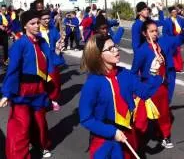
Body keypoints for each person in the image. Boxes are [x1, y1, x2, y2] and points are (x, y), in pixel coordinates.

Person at [79, 34, 163, 159]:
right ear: (97, 55)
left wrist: (153, 71)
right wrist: (112, 132)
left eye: (115, 46)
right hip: (104, 139)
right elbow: (86, 119)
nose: (116, 50)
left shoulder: (125, 74)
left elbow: (145, 93)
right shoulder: (92, 84)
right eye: (110, 48)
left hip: (128, 133)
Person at [0, 10, 65, 159]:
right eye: (32, 23)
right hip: (23, 90)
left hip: (39, 89)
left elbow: (51, 61)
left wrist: (56, 50)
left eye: (38, 22)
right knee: (21, 126)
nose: (37, 26)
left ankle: (41, 145)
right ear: (25, 26)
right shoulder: (20, 44)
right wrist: (7, 93)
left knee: (40, 122)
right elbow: (13, 69)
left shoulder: (42, 42)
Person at [131, 19, 184, 148]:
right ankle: (136, 139)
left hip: (162, 86)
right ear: (145, 33)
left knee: (164, 113)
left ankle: (165, 135)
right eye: (152, 31)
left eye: (156, 30)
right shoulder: (142, 50)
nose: (155, 33)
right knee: (142, 118)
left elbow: (179, 39)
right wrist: (135, 90)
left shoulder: (164, 42)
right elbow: (133, 72)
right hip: (147, 88)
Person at [39, 9, 65, 111]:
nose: (47, 20)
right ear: (39, 20)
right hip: (40, 60)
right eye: (44, 19)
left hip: (53, 58)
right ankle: (43, 101)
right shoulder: (37, 30)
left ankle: (53, 99)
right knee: (42, 82)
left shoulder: (53, 29)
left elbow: (58, 40)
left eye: (48, 18)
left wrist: (61, 43)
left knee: (55, 81)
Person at [162, 6, 184, 73]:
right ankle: (176, 68)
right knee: (174, 53)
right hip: (171, 39)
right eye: (173, 12)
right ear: (170, 13)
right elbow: (164, 32)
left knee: (176, 53)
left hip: (178, 38)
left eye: (175, 11)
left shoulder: (179, 19)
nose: (175, 13)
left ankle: (176, 67)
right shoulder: (167, 21)